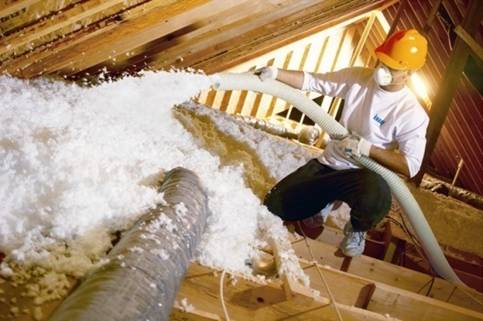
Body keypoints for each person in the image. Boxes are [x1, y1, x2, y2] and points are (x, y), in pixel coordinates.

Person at [258, 29, 429, 256]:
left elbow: (410, 166)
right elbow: (314, 81)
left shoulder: (411, 113)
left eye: (392, 68)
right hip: (329, 164)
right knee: (274, 205)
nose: (382, 70)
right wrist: (276, 72)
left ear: (408, 73)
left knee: (377, 194)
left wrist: (366, 148)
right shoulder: (359, 78)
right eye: (382, 62)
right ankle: (324, 203)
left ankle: (357, 229)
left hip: (362, 175)